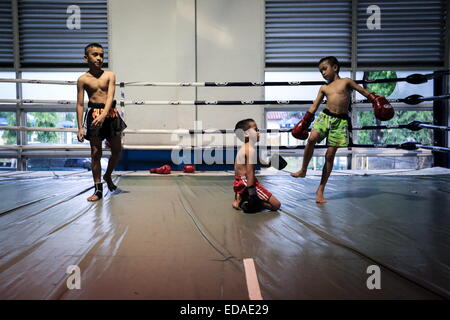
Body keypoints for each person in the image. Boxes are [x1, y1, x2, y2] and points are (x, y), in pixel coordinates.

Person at [290, 56, 394, 203]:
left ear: (335, 68)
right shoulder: (324, 87)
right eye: (321, 71)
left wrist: (374, 99)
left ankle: (320, 189)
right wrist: (305, 120)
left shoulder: (346, 81)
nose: (323, 73)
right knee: (311, 139)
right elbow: (314, 106)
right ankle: (303, 170)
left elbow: (362, 91)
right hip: (325, 117)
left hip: (341, 122)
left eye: (325, 69)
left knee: (330, 155)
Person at [76, 43, 127, 201]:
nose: (99, 58)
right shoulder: (82, 79)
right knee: (95, 153)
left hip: (110, 113)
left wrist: (104, 114)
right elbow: (79, 104)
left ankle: (107, 175)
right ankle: (98, 190)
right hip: (94, 114)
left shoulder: (109, 75)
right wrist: (79, 128)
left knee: (117, 150)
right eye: (95, 55)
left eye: (101, 55)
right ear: (86, 58)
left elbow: (110, 96)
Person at [233, 119, 281, 213]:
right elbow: (250, 173)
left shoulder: (248, 148)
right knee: (276, 205)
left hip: (241, 181)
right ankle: (244, 200)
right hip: (246, 182)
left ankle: (241, 196)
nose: (259, 132)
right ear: (246, 134)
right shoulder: (250, 150)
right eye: (256, 129)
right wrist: (253, 195)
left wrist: (269, 163)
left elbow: (259, 163)